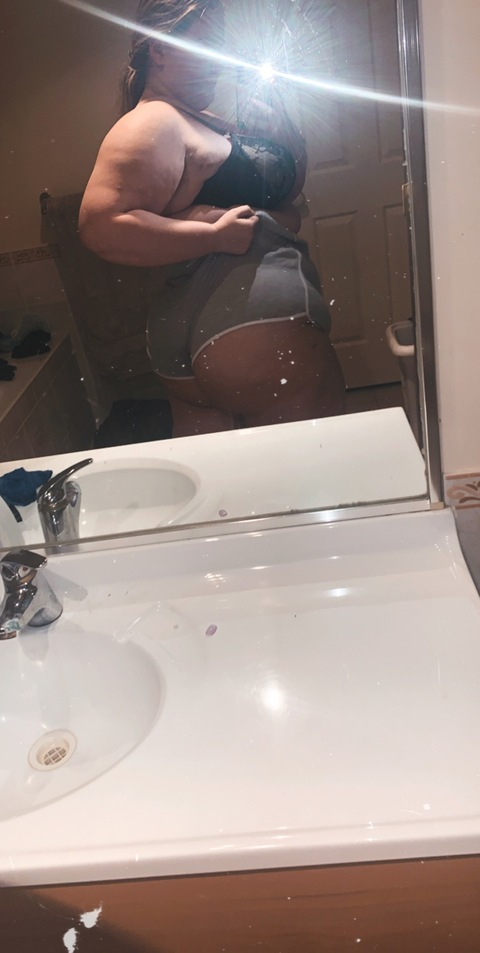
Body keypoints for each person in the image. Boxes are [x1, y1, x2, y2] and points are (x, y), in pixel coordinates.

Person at [79, 0, 346, 436]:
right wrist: (214, 237)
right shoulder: (153, 121)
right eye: (208, 45)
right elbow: (99, 227)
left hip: (201, 326)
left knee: (223, 481)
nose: (219, 62)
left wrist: (279, 125)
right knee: (316, 465)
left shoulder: (199, 120)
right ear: (159, 49)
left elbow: (285, 191)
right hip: (245, 326)